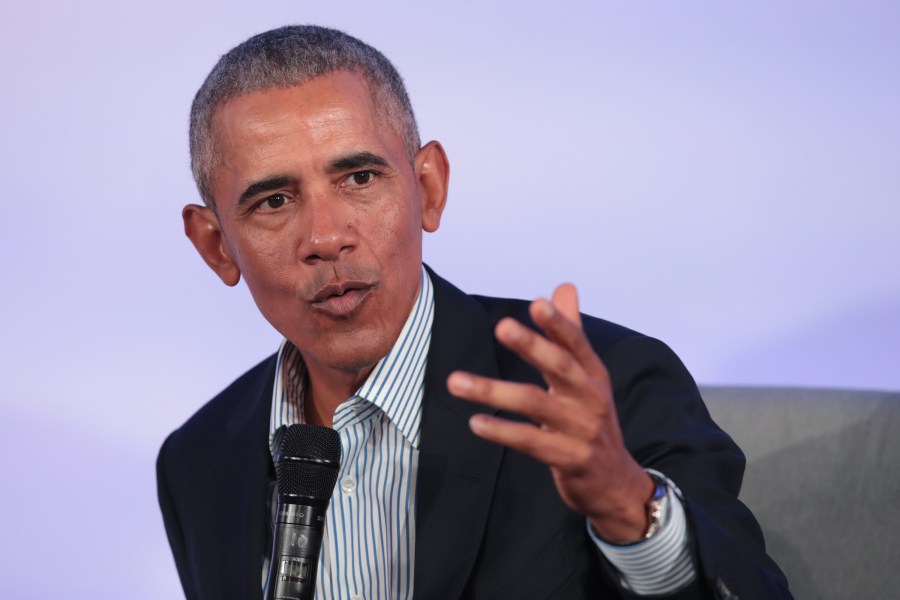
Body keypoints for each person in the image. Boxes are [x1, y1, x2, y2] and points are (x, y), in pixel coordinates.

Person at [157, 25, 791, 600]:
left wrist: (629, 507)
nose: (326, 236)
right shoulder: (201, 460)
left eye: (359, 179)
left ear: (428, 188)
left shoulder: (608, 390)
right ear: (216, 246)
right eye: (273, 200)